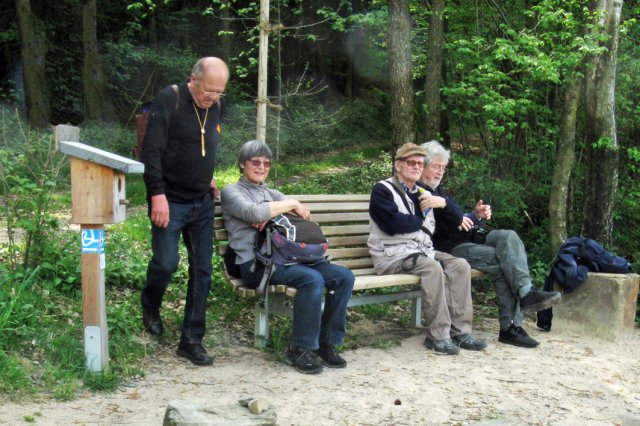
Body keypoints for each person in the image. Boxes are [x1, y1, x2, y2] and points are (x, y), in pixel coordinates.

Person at [221, 140, 355, 374]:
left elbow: (303, 215)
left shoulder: (271, 193)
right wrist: (287, 205)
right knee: (311, 279)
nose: (261, 167)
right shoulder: (231, 192)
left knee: (343, 277)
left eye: (266, 163)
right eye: (256, 162)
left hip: (289, 258)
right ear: (242, 164)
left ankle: (326, 343)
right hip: (256, 266)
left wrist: (272, 212)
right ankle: (299, 349)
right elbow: (254, 212)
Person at [419, 140, 561, 348]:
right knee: (504, 263)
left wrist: (475, 215)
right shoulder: (422, 193)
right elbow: (445, 223)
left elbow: (456, 219)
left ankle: (526, 292)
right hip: (449, 248)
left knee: (509, 236)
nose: (441, 172)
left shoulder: (439, 192)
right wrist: (451, 207)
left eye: (443, 168)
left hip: (468, 238)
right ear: (422, 165)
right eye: (436, 167)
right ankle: (511, 327)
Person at [140, 57, 229, 366]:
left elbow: (204, 144)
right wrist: (157, 194)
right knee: (166, 263)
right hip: (170, 199)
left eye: (219, 91)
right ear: (193, 79)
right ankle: (150, 304)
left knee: (202, 271)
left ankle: (191, 340)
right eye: (208, 90)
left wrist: (208, 177)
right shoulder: (170, 98)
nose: (212, 97)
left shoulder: (217, 105)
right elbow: (152, 151)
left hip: (201, 201)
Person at [368, 143, 486, 355]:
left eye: (420, 164)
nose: (416, 167)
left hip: (421, 252)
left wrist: (442, 203)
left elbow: (456, 217)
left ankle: (460, 331)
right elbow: (393, 224)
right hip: (391, 255)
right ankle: (437, 336)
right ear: (398, 165)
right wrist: (419, 219)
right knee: (432, 268)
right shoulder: (382, 190)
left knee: (460, 265)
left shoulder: (423, 192)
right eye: (411, 162)